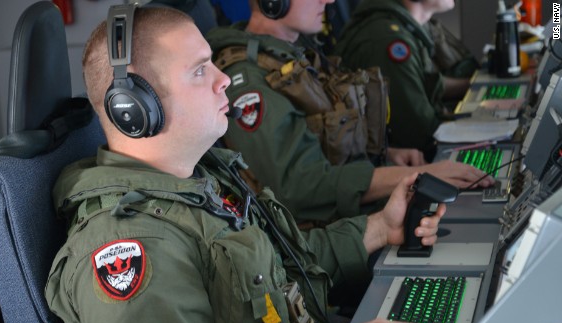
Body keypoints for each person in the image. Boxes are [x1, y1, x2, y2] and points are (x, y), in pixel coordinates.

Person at [45, 5, 444, 323]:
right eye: (201, 70)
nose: (224, 80)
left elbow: (282, 268)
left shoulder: (202, 178)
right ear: (134, 110)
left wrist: (381, 227)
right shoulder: (134, 246)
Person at [205, 0, 493, 225]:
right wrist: (417, 174)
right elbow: (300, 187)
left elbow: (320, 137)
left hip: (355, 218)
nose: (329, 1)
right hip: (324, 245)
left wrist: (390, 156)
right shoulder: (248, 80)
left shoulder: (292, 55)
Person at [334, 0, 473, 159]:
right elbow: (420, 133)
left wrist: (471, 87)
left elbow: (426, 83)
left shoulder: (408, 26)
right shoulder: (388, 38)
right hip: (408, 158)